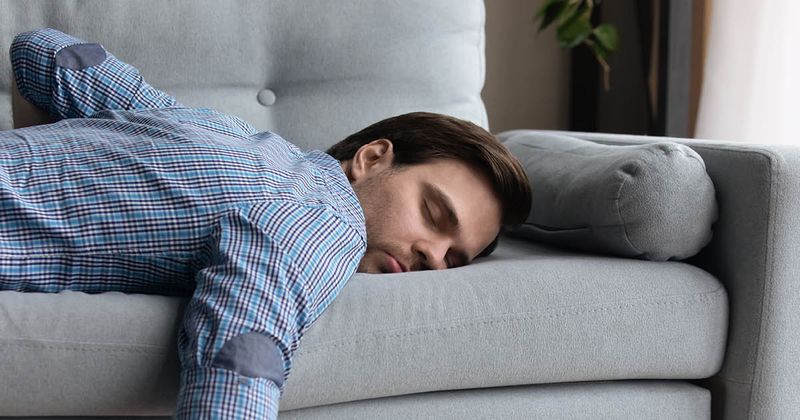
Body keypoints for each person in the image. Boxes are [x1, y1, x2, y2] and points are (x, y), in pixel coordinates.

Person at [2, 29, 532, 418]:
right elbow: (242, 348)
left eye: (454, 258)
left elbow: (45, 52)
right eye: (434, 215)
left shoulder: (213, 127)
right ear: (372, 158)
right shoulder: (328, 220)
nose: (433, 257)